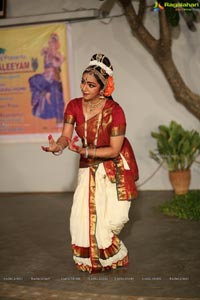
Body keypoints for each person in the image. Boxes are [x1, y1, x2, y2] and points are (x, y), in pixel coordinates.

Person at [42, 53, 139, 273]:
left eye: (91, 84)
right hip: (88, 164)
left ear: (103, 88)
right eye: (83, 82)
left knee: (116, 218)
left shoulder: (116, 111)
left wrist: (85, 150)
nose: (84, 88)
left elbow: (114, 149)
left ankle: (111, 251)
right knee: (81, 213)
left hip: (114, 165)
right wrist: (58, 146)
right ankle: (91, 260)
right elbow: (66, 136)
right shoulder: (74, 106)